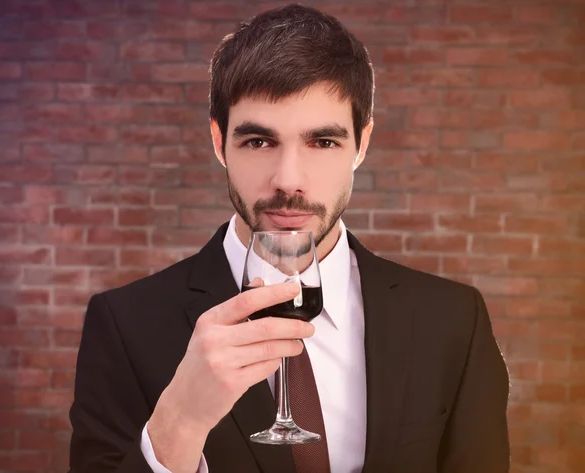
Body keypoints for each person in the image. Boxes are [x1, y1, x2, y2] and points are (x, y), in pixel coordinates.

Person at [68, 4, 510, 473]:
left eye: (323, 142)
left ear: (361, 144)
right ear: (219, 143)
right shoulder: (123, 324)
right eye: (259, 141)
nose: (288, 180)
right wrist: (180, 421)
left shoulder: (454, 320)